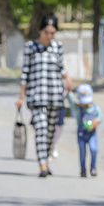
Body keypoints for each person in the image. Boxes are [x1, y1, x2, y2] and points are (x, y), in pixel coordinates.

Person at [16, 14, 72, 178]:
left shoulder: (57, 47)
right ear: (41, 31)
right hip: (37, 96)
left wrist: (68, 79)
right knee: (41, 129)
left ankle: (45, 158)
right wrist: (21, 97)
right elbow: (25, 73)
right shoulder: (30, 47)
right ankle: (42, 165)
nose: (49, 36)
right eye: (47, 32)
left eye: (53, 33)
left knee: (50, 132)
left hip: (56, 96)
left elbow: (61, 68)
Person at [68, 83, 102, 177]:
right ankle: (83, 169)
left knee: (94, 149)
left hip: (92, 133)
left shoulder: (95, 108)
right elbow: (71, 102)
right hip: (81, 134)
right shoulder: (78, 109)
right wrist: (68, 92)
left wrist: (96, 121)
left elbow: (100, 117)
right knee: (82, 152)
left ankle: (93, 167)